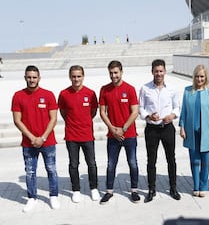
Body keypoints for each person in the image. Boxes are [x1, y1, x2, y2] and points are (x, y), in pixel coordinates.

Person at [11, 65, 60, 212]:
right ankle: (32, 198)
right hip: (28, 142)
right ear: (25, 77)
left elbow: (53, 119)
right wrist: (32, 138)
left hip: (48, 141)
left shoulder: (49, 94)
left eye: (34, 77)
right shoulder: (18, 96)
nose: (32, 80)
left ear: (39, 78)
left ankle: (54, 196)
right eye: (29, 77)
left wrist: (43, 137)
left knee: (51, 169)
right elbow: (17, 120)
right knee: (30, 171)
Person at [139, 59, 181, 202]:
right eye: (156, 71)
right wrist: (148, 116)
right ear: (152, 72)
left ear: (165, 71)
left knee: (171, 159)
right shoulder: (145, 88)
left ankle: (173, 188)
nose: (159, 73)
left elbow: (177, 107)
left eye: (161, 71)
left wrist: (172, 115)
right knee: (151, 160)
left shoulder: (172, 89)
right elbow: (141, 108)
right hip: (151, 129)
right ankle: (151, 189)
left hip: (167, 128)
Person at [99, 60, 140, 204]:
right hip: (112, 135)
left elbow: (135, 112)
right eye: (111, 73)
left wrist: (122, 129)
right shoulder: (104, 89)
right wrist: (112, 129)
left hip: (129, 134)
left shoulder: (130, 89)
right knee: (111, 164)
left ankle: (134, 190)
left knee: (133, 163)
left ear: (121, 72)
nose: (113, 75)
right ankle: (109, 191)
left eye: (116, 72)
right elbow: (102, 112)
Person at [58, 65, 100, 203]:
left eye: (79, 76)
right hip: (71, 136)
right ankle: (76, 190)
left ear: (83, 76)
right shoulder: (64, 94)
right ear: (70, 77)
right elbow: (63, 112)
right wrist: (72, 123)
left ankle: (93, 188)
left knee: (91, 164)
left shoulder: (91, 93)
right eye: (74, 76)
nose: (76, 79)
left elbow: (93, 112)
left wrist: (85, 122)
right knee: (74, 164)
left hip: (87, 135)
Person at [179, 65, 209, 197]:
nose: (199, 79)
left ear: (206, 77)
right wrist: (182, 127)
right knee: (194, 160)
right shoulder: (187, 91)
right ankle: (195, 186)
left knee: (205, 161)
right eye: (197, 76)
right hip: (191, 132)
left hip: (206, 132)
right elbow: (184, 111)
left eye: (202, 76)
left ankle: (204, 186)